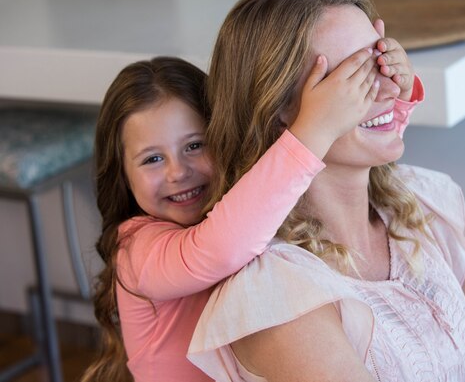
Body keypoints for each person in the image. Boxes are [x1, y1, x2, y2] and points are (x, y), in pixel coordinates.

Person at [186, 0, 465, 382]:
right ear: (279, 107)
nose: (385, 88)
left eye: (381, 60)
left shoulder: (425, 205)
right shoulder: (278, 297)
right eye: (351, 75)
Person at [80, 52, 419, 382]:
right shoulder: (135, 250)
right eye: (152, 159)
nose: (177, 172)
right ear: (122, 175)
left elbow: (343, 159)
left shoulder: (248, 208)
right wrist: (317, 127)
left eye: (195, 146)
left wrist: (397, 92)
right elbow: (217, 249)